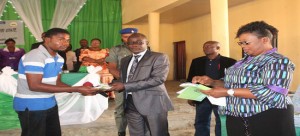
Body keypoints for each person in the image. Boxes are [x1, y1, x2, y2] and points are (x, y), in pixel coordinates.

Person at [192, 21, 296, 136]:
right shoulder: (243, 61)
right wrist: (212, 82)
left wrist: (228, 92)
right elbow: (231, 82)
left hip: (266, 117)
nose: (243, 47)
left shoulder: (278, 61)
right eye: (240, 43)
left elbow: (272, 92)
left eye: (246, 43)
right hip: (237, 117)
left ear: (264, 40)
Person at [13, 28, 98, 136]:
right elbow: (34, 86)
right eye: (61, 39)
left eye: (67, 40)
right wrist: (76, 89)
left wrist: (80, 90)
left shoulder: (58, 58)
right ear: (47, 39)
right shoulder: (35, 56)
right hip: (32, 105)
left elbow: (56, 82)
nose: (65, 43)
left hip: (50, 103)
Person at [108, 33, 174, 136]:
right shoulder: (125, 60)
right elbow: (124, 79)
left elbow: (157, 79)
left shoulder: (159, 57)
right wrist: (109, 85)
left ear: (146, 43)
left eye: (140, 42)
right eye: (132, 43)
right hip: (130, 102)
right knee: (136, 133)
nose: (135, 45)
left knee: (158, 133)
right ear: (127, 44)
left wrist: (125, 86)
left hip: (152, 102)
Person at [187, 41, 236, 136]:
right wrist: (190, 96)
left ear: (218, 48)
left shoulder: (230, 62)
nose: (206, 48)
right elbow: (190, 78)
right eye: (204, 46)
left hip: (220, 95)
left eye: (209, 46)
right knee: (201, 121)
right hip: (202, 94)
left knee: (221, 121)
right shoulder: (197, 61)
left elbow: (233, 81)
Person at [105, 27, 138, 136]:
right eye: (125, 37)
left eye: (131, 36)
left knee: (140, 107)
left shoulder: (143, 47)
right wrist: (126, 82)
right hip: (121, 83)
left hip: (140, 84)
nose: (128, 39)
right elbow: (112, 67)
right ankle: (121, 131)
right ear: (121, 37)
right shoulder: (116, 49)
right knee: (120, 108)